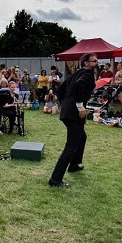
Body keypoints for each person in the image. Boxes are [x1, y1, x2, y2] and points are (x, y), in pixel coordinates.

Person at [49, 53, 97, 189]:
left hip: (68, 112)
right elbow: (79, 85)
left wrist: (66, 104)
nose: (96, 63)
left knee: (82, 137)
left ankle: (75, 164)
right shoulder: (87, 74)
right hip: (74, 113)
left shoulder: (74, 74)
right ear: (86, 63)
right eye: (94, 61)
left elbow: (60, 90)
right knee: (71, 146)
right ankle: (55, 179)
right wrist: (79, 105)